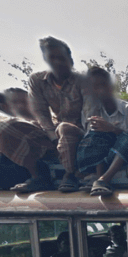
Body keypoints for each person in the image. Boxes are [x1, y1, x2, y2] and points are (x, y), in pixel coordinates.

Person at [28, 36, 93, 193]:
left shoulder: (83, 81)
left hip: (80, 130)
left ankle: (70, 174)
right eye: (52, 58)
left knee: (65, 128)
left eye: (61, 57)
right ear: (45, 59)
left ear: (70, 59)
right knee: (25, 126)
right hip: (53, 129)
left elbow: (90, 113)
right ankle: (36, 175)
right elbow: (40, 112)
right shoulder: (37, 80)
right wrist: (52, 136)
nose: (57, 62)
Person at [76, 67, 128, 196]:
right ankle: (97, 178)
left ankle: (103, 179)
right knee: (95, 132)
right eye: (93, 87)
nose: (99, 90)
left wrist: (113, 129)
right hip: (101, 158)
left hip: (125, 159)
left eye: (102, 85)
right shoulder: (89, 111)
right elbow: (89, 139)